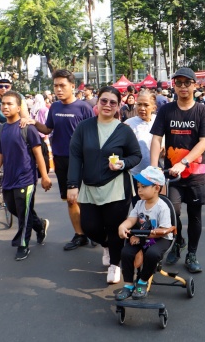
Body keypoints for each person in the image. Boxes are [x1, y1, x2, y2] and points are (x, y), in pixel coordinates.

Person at [67, 86, 142, 283]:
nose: (108, 105)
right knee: (89, 227)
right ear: (97, 102)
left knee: (114, 227)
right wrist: (72, 184)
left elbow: (136, 155)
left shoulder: (124, 130)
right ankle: (108, 246)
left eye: (113, 102)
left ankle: (115, 265)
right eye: (104, 100)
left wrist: (123, 163)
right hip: (89, 187)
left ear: (118, 106)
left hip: (116, 186)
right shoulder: (84, 127)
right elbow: (75, 156)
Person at [150, 67, 205, 273]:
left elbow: (204, 142)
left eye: (188, 83)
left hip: (195, 173)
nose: (183, 87)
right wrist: (153, 170)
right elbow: (157, 138)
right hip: (172, 175)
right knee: (173, 211)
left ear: (195, 85)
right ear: (174, 86)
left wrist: (184, 162)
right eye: (179, 83)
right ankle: (178, 242)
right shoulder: (166, 110)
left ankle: (192, 254)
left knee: (195, 215)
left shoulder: (202, 111)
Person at [25, 69, 95, 251]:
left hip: (82, 161)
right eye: (55, 86)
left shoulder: (84, 108)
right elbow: (48, 129)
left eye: (62, 85)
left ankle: (94, 231)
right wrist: (34, 123)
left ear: (72, 86)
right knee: (70, 199)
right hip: (61, 160)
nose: (58, 89)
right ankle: (80, 235)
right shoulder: (54, 107)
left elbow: (94, 135)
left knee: (87, 200)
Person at [0, 91, 52, 261]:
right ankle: (40, 225)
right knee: (13, 208)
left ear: (18, 107)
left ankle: (23, 244)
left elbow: (38, 154)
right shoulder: (1, 129)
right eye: (3, 104)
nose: (6, 107)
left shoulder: (27, 128)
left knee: (23, 213)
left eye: (10, 104)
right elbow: (0, 153)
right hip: (9, 178)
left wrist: (45, 177)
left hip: (26, 178)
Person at [116, 166, 173, 300]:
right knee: (126, 252)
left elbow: (163, 231)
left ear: (157, 188)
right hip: (143, 236)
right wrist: (123, 226)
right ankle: (129, 284)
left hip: (161, 238)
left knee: (152, 254)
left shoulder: (162, 207)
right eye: (138, 186)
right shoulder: (140, 204)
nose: (139, 190)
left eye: (144, 186)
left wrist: (140, 235)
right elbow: (132, 219)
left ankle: (142, 281)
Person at [125, 90, 160, 207]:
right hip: (136, 176)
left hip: (156, 175)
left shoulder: (159, 121)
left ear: (154, 107)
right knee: (139, 211)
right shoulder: (128, 124)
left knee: (159, 209)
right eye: (139, 104)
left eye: (146, 105)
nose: (142, 108)